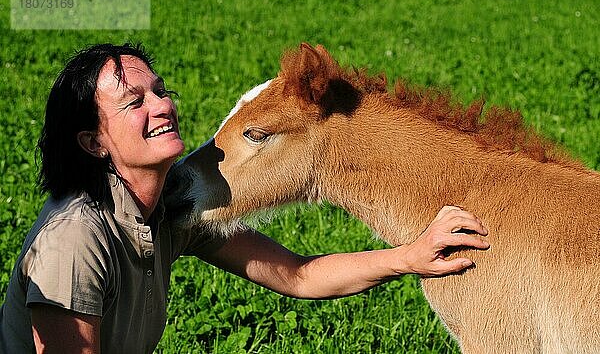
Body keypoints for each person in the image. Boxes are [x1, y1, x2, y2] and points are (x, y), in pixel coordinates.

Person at [0, 43, 489, 353]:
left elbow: (299, 276)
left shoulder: (166, 212)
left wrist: (410, 256)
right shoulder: (75, 241)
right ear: (94, 143)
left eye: (160, 90)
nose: (163, 105)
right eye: (135, 102)